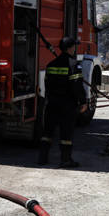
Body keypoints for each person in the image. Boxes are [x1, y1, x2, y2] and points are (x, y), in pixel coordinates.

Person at [38, 36, 88, 168]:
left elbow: (47, 85)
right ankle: (65, 160)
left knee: (47, 132)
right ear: (71, 48)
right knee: (66, 133)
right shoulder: (73, 64)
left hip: (51, 103)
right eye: (74, 46)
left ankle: (42, 158)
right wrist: (83, 102)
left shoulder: (50, 65)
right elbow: (77, 86)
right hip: (67, 105)